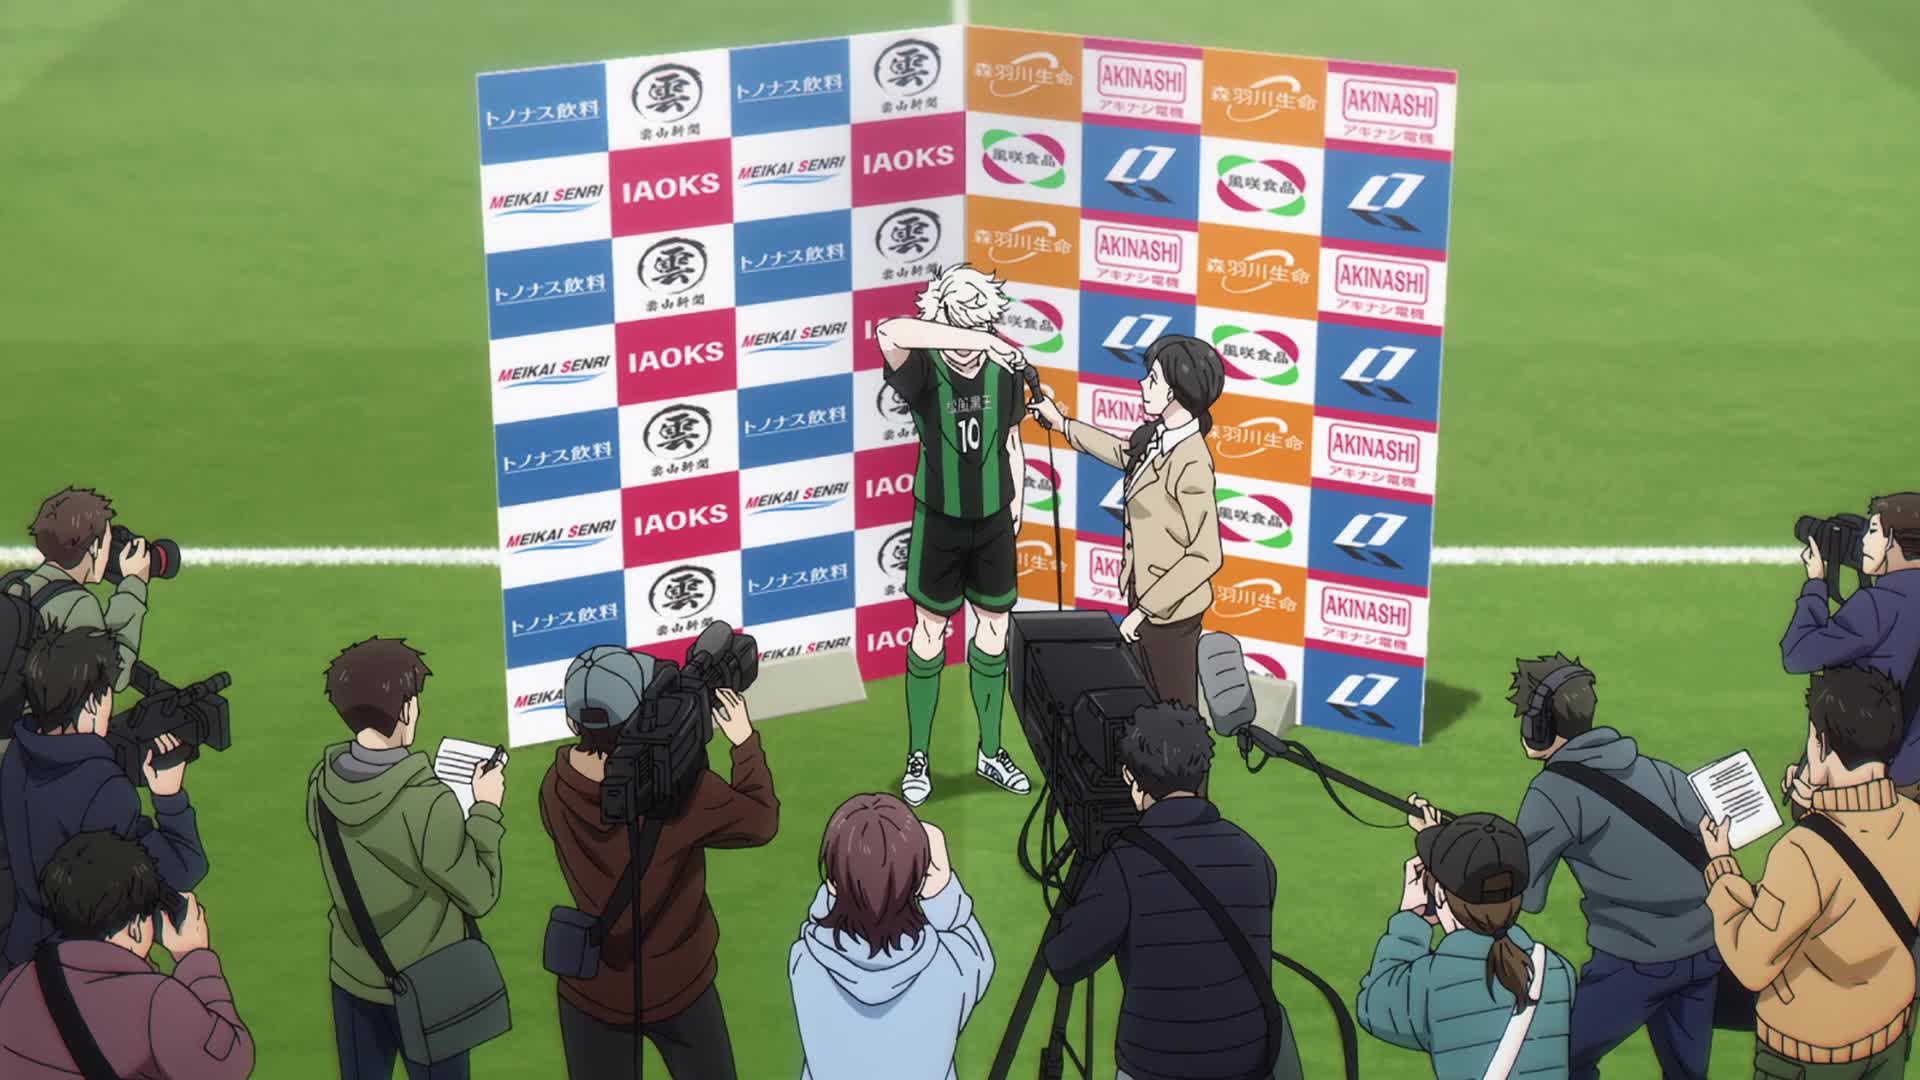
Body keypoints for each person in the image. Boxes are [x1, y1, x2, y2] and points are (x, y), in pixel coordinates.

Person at [540, 645, 778, 1080]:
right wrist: (744, 742)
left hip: (591, 992)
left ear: (573, 723)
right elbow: (761, 821)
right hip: (680, 988)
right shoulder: (687, 794)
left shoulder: (555, 786)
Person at [1490, 652, 1722, 1079]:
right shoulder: (1657, 770)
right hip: (1704, 951)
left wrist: (1469, 850)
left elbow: (1527, 895)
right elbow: (1712, 840)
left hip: (1635, 961)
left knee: (1557, 1062)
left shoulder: (1550, 792)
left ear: (1539, 726)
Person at [1042, 703, 1302, 1080]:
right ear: (1202, 771)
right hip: (1249, 1062)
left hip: (1155, 1067)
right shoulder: (1253, 854)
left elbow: (1064, 961)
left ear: (1130, 777)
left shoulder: (1125, 862)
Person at [1703, 666, 1920, 1077]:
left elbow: (1751, 962)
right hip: (1889, 1034)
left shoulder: (1802, 852)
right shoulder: (1913, 819)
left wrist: (1723, 869)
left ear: (1821, 744)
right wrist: (1819, 802)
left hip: (1807, 1054)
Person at [307, 637, 505, 1080]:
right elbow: (480, 893)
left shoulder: (320, 784)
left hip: (353, 975)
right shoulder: (429, 803)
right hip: (430, 985)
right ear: (407, 710)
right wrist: (485, 810)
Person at [874, 263, 1034, 806]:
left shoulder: (1002, 373)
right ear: (942, 320)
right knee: (929, 632)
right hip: (939, 520)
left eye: (981, 325)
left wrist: (1018, 502)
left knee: (994, 631)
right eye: (962, 326)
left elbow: (1011, 440)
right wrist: (979, 339)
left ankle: (990, 751)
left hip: (992, 522)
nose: (971, 340)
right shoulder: (924, 367)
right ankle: (918, 756)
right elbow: (889, 331)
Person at [1027, 335, 1225, 708]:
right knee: (1146, 707)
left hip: (1170, 611)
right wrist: (1061, 424)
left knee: (1175, 713)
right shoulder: (1157, 438)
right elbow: (1122, 453)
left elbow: (1206, 554)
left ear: (1176, 392)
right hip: (1144, 592)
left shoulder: (1192, 462)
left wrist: (1145, 611)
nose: (1142, 384)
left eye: (1153, 379)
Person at [1, 625, 206, 968]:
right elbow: (181, 870)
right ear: (94, 702)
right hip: (78, 964)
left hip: (19, 948)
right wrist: (169, 795)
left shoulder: (17, 755)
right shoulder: (105, 789)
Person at [0, 831, 253, 1079]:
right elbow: (229, 1065)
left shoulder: (16, 982)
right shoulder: (155, 999)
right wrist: (194, 956)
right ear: (134, 929)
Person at [788, 793, 991, 1080]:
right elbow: (977, 952)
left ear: (832, 883)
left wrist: (844, 876)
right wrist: (942, 888)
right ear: (920, 882)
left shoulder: (804, 962)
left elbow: (818, 919)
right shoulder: (952, 965)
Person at [1360, 811, 1576, 1079]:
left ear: (1439, 894)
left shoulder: (1430, 981)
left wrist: (1411, 918)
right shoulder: (1557, 969)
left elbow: (1372, 1005)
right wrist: (1436, 839)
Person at [1783, 493, 1920, 795]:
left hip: (1876, 779)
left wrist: (1815, 584)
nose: (1863, 542)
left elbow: (1797, 654)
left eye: (1872, 531)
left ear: (1891, 539)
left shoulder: (1879, 605)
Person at [4, 487, 154, 693]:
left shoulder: (14, 582)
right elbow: (114, 675)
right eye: (107, 543)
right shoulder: (77, 603)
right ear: (94, 548)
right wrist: (133, 583)